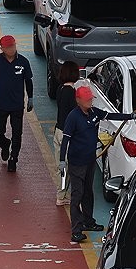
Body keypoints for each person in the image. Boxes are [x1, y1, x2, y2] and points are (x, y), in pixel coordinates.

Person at [59, 86, 136, 244]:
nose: (90, 102)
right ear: (78, 100)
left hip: (90, 161)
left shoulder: (94, 113)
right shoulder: (73, 117)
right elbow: (65, 139)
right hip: (77, 163)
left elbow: (112, 116)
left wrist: (132, 116)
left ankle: (88, 221)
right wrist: (61, 161)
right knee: (77, 195)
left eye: (90, 99)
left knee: (88, 192)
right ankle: (76, 231)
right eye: (87, 100)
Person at [0, 35, 33, 173]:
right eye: (8, 47)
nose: (11, 49)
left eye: (13, 46)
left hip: (17, 105)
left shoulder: (23, 62)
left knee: (17, 133)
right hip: (1, 105)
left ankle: (13, 159)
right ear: (2, 49)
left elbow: (28, 80)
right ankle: (5, 144)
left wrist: (31, 98)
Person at [53, 61, 80, 206]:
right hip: (67, 135)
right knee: (68, 167)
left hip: (58, 130)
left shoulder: (60, 89)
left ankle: (60, 194)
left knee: (61, 165)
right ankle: (62, 195)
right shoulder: (72, 93)